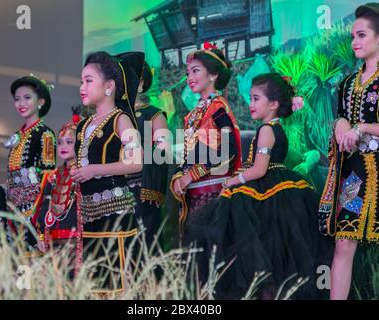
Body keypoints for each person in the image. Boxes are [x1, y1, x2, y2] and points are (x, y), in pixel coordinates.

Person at [185, 73, 330, 299]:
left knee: (259, 258)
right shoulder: (275, 128)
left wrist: (232, 181)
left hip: (267, 192)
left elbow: (259, 169)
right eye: (250, 99)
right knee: (276, 262)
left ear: (273, 104)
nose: (250, 104)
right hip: (278, 190)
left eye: (255, 99)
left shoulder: (266, 130)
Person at [319, 3, 379, 300]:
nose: (355, 41)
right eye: (353, 35)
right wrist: (341, 126)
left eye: (362, 35)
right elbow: (341, 114)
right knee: (344, 242)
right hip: (353, 174)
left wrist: (363, 128)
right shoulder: (347, 83)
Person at [71, 51, 144, 295]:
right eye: (81, 81)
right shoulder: (83, 125)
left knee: (117, 284)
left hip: (116, 213)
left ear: (109, 86)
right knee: (95, 285)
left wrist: (94, 170)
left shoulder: (121, 120)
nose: (82, 87)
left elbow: (137, 162)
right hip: (88, 215)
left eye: (89, 80)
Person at [170, 43, 242, 237]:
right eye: (187, 73)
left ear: (213, 75)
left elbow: (228, 152)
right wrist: (178, 176)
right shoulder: (193, 114)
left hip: (213, 194)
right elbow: (189, 156)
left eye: (195, 71)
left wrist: (190, 176)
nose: (189, 78)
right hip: (195, 195)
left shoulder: (218, 109)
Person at [0, 74, 56, 254]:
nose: (21, 103)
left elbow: (48, 175)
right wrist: (0, 190)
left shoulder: (45, 134)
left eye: (27, 97)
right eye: (17, 99)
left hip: (33, 209)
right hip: (13, 205)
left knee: (31, 262)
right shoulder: (17, 135)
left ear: (41, 102)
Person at [32, 105, 82, 277]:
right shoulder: (51, 177)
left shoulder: (84, 174)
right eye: (60, 142)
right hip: (53, 243)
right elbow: (43, 208)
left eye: (69, 142)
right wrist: (40, 237)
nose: (63, 146)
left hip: (78, 243)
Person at [127, 61, 170, 249]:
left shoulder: (154, 115)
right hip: (115, 190)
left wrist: (143, 153)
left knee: (145, 243)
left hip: (142, 188)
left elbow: (164, 150)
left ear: (141, 83)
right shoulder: (114, 116)